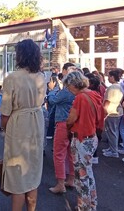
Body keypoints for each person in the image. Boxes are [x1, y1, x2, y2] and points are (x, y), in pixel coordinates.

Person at [0, 39, 46, 211]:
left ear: (20, 55)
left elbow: (5, 112)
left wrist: (6, 128)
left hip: (18, 124)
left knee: (17, 176)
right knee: (33, 170)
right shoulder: (41, 76)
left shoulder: (12, 78)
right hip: (37, 121)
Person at [64, 71, 104, 211]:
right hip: (91, 137)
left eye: (69, 87)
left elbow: (71, 119)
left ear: (74, 84)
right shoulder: (93, 94)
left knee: (81, 176)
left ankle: (84, 207)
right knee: (88, 174)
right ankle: (92, 204)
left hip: (81, 138)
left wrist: (67, 126)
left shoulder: (80, 97)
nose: (69, 90)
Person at [48, 63, 76, 194]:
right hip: (73, 125)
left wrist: (52, 90)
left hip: (63, 123)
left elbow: (53, 100)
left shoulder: (66, 92)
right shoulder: (77, 92)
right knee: (71, 153)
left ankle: (60, 183)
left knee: (59, 153)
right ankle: (71, 179)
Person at [102, 70, 124, 158]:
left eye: (109, 76)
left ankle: (114, 150)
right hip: (117, 110)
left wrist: (104, 111)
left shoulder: (112, 88)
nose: (108, 78)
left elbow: (107, 100)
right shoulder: (119, 86)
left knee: (111, 131)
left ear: (112, 77)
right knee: (114, 131)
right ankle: (112, 148)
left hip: (111, 111)